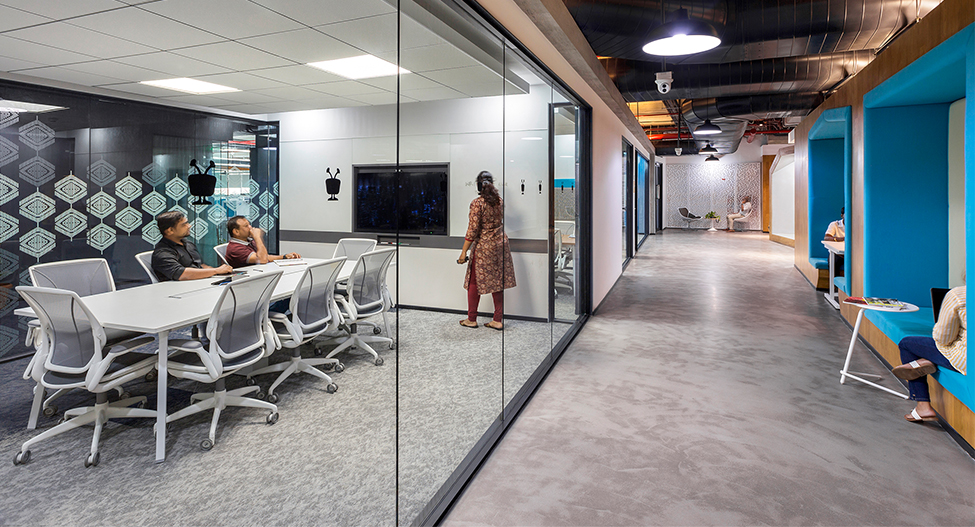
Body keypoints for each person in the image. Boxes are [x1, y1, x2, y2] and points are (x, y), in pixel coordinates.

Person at [894, 285, 966, 423]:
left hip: (966, 361)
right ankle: (925, 361)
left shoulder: (959, 295)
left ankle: (923, 405)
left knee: (906, 344)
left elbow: (943, 338)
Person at [457, 171, 516, 330]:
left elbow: (472, 230)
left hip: (484, 247)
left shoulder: (477, 203)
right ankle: (497, 319)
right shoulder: (499, 201)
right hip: (500, 245)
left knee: (473, 282)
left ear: (478, 185)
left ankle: (471, 319)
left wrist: (463, 252)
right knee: (497, 282)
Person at [151, 211, 232, 282]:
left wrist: (220, 272)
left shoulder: (188, 243)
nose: (189, 226)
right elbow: (181, 274)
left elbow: (199, 266)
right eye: (184, 224)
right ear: (170, 231)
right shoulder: (162, 252)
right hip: (180, 290)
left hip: (199, 283)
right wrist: (216, 271)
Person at [224, 216, 299, 268]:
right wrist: (257, 237)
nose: (250, 227)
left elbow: (265, 256)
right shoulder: (235, 248)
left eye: (249, 224)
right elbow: (262, 259)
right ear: (236, 232)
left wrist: (284, 257)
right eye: (246, 226)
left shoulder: (248, 241)